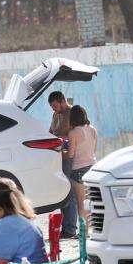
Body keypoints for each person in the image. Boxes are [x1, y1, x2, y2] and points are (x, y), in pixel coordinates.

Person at [48, 91, 77, 239]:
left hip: (70, 157)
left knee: (69, 192)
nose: (53, 109)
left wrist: (60, 139)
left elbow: (77, 134)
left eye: (54, 106)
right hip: (58, 157)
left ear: (62, 101)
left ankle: (70, 228)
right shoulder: (55, 115)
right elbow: (51, 131)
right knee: (62, 191)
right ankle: (66, 226)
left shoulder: (73, 113)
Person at [67, 105, 98, 219]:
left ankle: (83, 231)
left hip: (78, 169)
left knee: (81, 201)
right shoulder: (93, 129)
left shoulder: (73, 132)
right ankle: (89, 230)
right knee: (89, 202)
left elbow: (71, 154)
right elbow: (94, 150)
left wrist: (63, 150)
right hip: (93, 168)